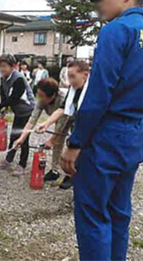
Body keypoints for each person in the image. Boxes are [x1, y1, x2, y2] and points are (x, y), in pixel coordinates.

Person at [60, 0, 143, 260]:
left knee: (93, 214)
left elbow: (98, 93)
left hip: (107, 135)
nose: (99, 4)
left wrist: (75, 142)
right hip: (135, 134)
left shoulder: (116, 30)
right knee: (118, 213)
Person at [36, 60, 90, 190]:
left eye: (72, 76)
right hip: (78, 124)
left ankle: (81, 181)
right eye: (68, 76)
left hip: (91, 127)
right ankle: (74, 176)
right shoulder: (73, 90)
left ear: (85, 75)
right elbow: (62, 109)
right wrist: (47, 123)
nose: (69, 81)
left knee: (84, 154)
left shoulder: (94, 90)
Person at [0, 54, 35, 177]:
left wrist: (0, 105)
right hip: (18, 112)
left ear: (13, 67)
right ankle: (8, 160)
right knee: (13, 135)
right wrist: (3, 107)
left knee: (24, 139)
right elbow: (5, 96)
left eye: (5, 66)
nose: (2, 69)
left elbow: (14, 97)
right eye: (0, 66)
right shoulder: (2, 79)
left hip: (28, 111)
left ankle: (22, 165)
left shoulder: (19, 79)